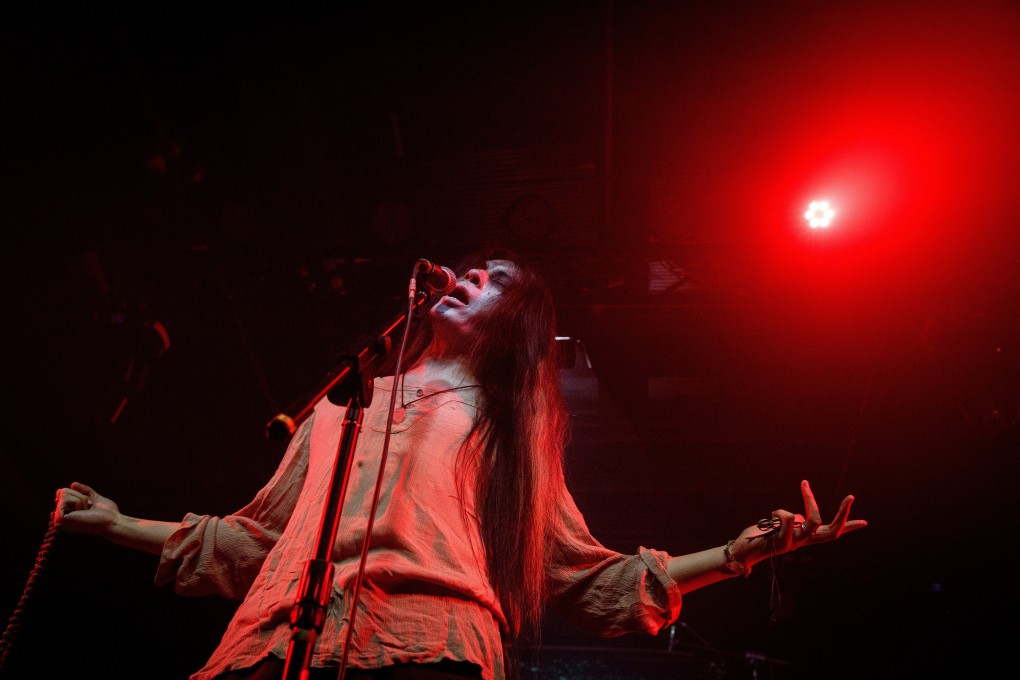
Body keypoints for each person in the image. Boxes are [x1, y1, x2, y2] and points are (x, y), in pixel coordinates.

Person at [54, 247, 867, 680]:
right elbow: (249, 542)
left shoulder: (512, 426)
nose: (471, 275)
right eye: (474, 268)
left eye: (496, 279)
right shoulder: (340, 405)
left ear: (516, 326)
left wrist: (740, 554)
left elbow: (585, 575)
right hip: (269, 649)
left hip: (426, 649)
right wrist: (115, 523)